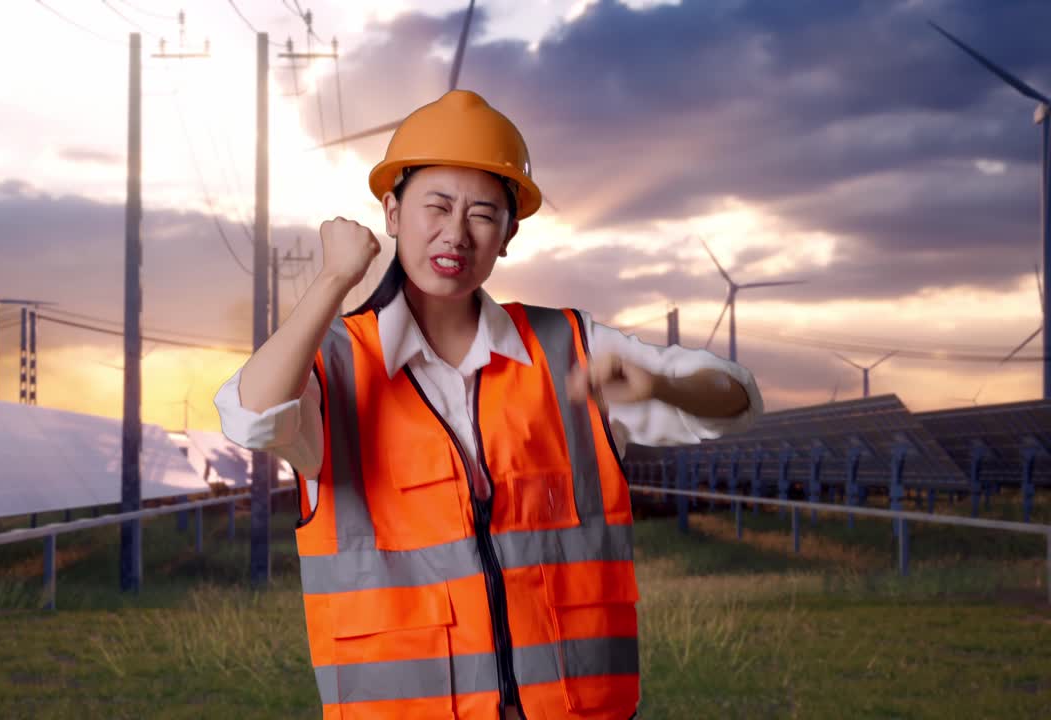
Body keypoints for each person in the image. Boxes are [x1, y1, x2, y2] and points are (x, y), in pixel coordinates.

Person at [215, 89, 764, 720]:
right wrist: (333, 279)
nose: (455, 233)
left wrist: (662, 385)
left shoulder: (568, 345)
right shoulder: (333, 364)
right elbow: (251, 417)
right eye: (436, 206)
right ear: (391, 212)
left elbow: (734, 399)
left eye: (482, 214)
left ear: (509, 234)